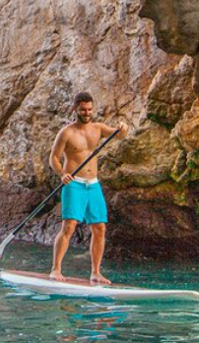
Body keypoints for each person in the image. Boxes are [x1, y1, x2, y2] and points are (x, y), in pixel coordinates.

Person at [48, 92, 128, 284]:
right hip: (73, 184)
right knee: (69, 226)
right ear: (75, 109)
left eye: (90, 109)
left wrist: (123, 127)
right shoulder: (66, 133)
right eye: (83, 109)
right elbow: (54, 158)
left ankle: (95, 273)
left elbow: (120, 135)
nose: (87, 113)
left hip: (93, 185)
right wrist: (62, 174)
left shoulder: (98, 128)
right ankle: (56, 269)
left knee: (100, 228)